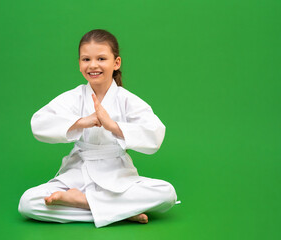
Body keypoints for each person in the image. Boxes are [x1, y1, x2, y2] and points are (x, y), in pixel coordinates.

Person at [18, 29, 180, 228]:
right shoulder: (74, 97)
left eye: (101, 58)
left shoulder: (126, 99)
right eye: (86, 59)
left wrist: (112, 126)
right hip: (79, 170)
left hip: (116, 171)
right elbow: (39, 123)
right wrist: (82, 122)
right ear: (79, 64)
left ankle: (83, 203)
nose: (93, 65)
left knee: (167, 193)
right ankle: (120, 211)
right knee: (28, 203)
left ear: (116, 63)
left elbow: (154, 133)